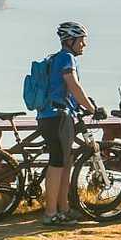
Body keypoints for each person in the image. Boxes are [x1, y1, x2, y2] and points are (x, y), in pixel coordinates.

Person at [38, 21, 99, 226]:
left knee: (66, 162)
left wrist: (83, 105)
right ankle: (50, 213)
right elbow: (73, 85)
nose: (84, 44)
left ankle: (63, 209)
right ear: (70, 40)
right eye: (81, 40)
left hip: (52, 116)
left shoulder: (57, 58)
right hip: (58, 117)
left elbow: (66, 91)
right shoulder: (66, 58)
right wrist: (92, 109)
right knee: (57, 163)